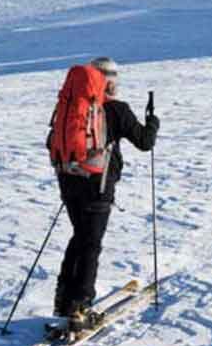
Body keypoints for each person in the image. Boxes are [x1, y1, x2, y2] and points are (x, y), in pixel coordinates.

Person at [51, 57, 158, 330]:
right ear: (110, 82)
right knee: (91, 243)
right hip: (97, 186)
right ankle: (80, 306)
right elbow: (145, 143)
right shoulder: (117, 110)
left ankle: (63, 300)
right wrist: (153, 124)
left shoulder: (72, 106)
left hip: (69, 180)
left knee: (80, 237)